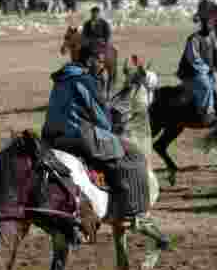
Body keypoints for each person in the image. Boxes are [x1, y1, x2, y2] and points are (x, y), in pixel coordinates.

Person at [41, 41, 151, 222]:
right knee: (134, 155)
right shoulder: (85, 80)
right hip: (77, 136)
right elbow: (102, 120)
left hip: (51, 138)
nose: (102, 65)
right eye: (100, 61)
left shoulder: (62, 77)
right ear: (90, 60)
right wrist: (113, 125)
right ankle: (133, 212)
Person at [177, 7, 217, 125]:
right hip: (193, 72)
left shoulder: (212, 36)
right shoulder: (193, 39)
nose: (209, 26)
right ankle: (206, 114)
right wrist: (207, 69)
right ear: (202, 24)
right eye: (207, 23)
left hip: (208, 70)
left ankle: (216, 107)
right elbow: (194, 59)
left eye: (211, 23)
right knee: (206, 86)